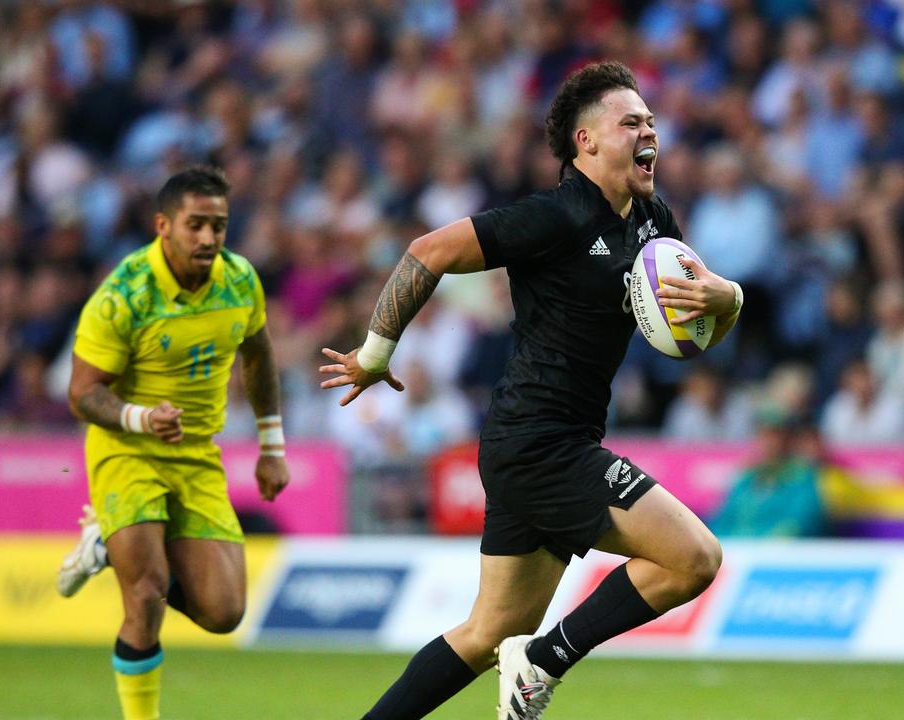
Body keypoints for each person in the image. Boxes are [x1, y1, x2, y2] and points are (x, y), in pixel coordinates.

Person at [320, 61, 742, 720]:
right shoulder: (554, 217)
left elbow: (686, 338)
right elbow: (429, 250)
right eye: (631, 122)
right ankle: (546, 660)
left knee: (487, 635)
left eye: (652, 122)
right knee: (693, 558)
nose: (649, 132)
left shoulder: (656, 220)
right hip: (540, 444)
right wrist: (375, 353)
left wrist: (729, 299)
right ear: (587, 142)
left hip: (545, 442)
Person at [55, 167, 289, 720]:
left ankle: (107, 548)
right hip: (127, 448)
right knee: (147, 594)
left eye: (219, 226)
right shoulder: (123, 295)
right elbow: (82, 394)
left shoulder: (239, 281)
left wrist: (271, 445)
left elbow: (258, 355)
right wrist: (139, 418)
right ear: (163, 225)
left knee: (224, 612)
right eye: (196, 225)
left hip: (196, 455)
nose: (208, 238)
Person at [710, 410, 830, 538]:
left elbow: (800, 523)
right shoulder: (746, 481)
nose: (768, 442)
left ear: (790, 440)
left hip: (778, 554)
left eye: (775, 435)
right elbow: (721, 521)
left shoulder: (803, 479)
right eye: (763, 435)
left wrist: (759, 545)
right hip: (735, 553)